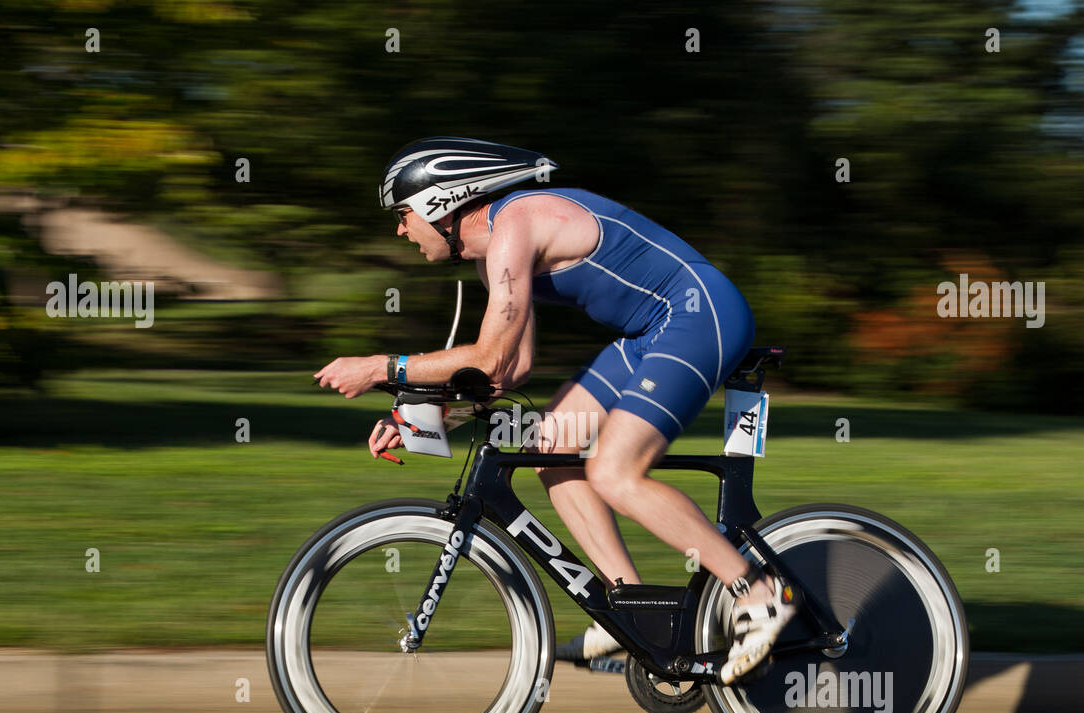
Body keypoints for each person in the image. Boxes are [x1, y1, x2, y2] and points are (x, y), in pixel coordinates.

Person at [314, 137, 795, 684]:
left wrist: (381, 367)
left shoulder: (516, 224)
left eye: (403, 214)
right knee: (548, 450)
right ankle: (629, 612)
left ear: (441, 202)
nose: (400, 230)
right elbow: (506, 371)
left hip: (699, 314)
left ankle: (758, 593)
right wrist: (419, 418)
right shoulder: (492, 254)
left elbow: (490, 356)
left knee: (615, 471)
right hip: (648, 334)